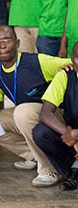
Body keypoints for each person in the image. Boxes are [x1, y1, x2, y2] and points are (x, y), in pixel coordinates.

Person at [0, 25, 69, 187]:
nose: (2, 46)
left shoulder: (36, 62)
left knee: (22, 112)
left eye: (7, 40)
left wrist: (67, 67)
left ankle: (50, 169)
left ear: (17, 43)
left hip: (52, 116)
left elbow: (72, 63)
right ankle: (35, 156)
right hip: (27, 116)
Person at [33, 42, 78, 190]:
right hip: (73, 141)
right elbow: (45, 113)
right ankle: (70, 169)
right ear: (71, 59)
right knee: (41, 132)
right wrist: (68, 134)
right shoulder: (66, 75)